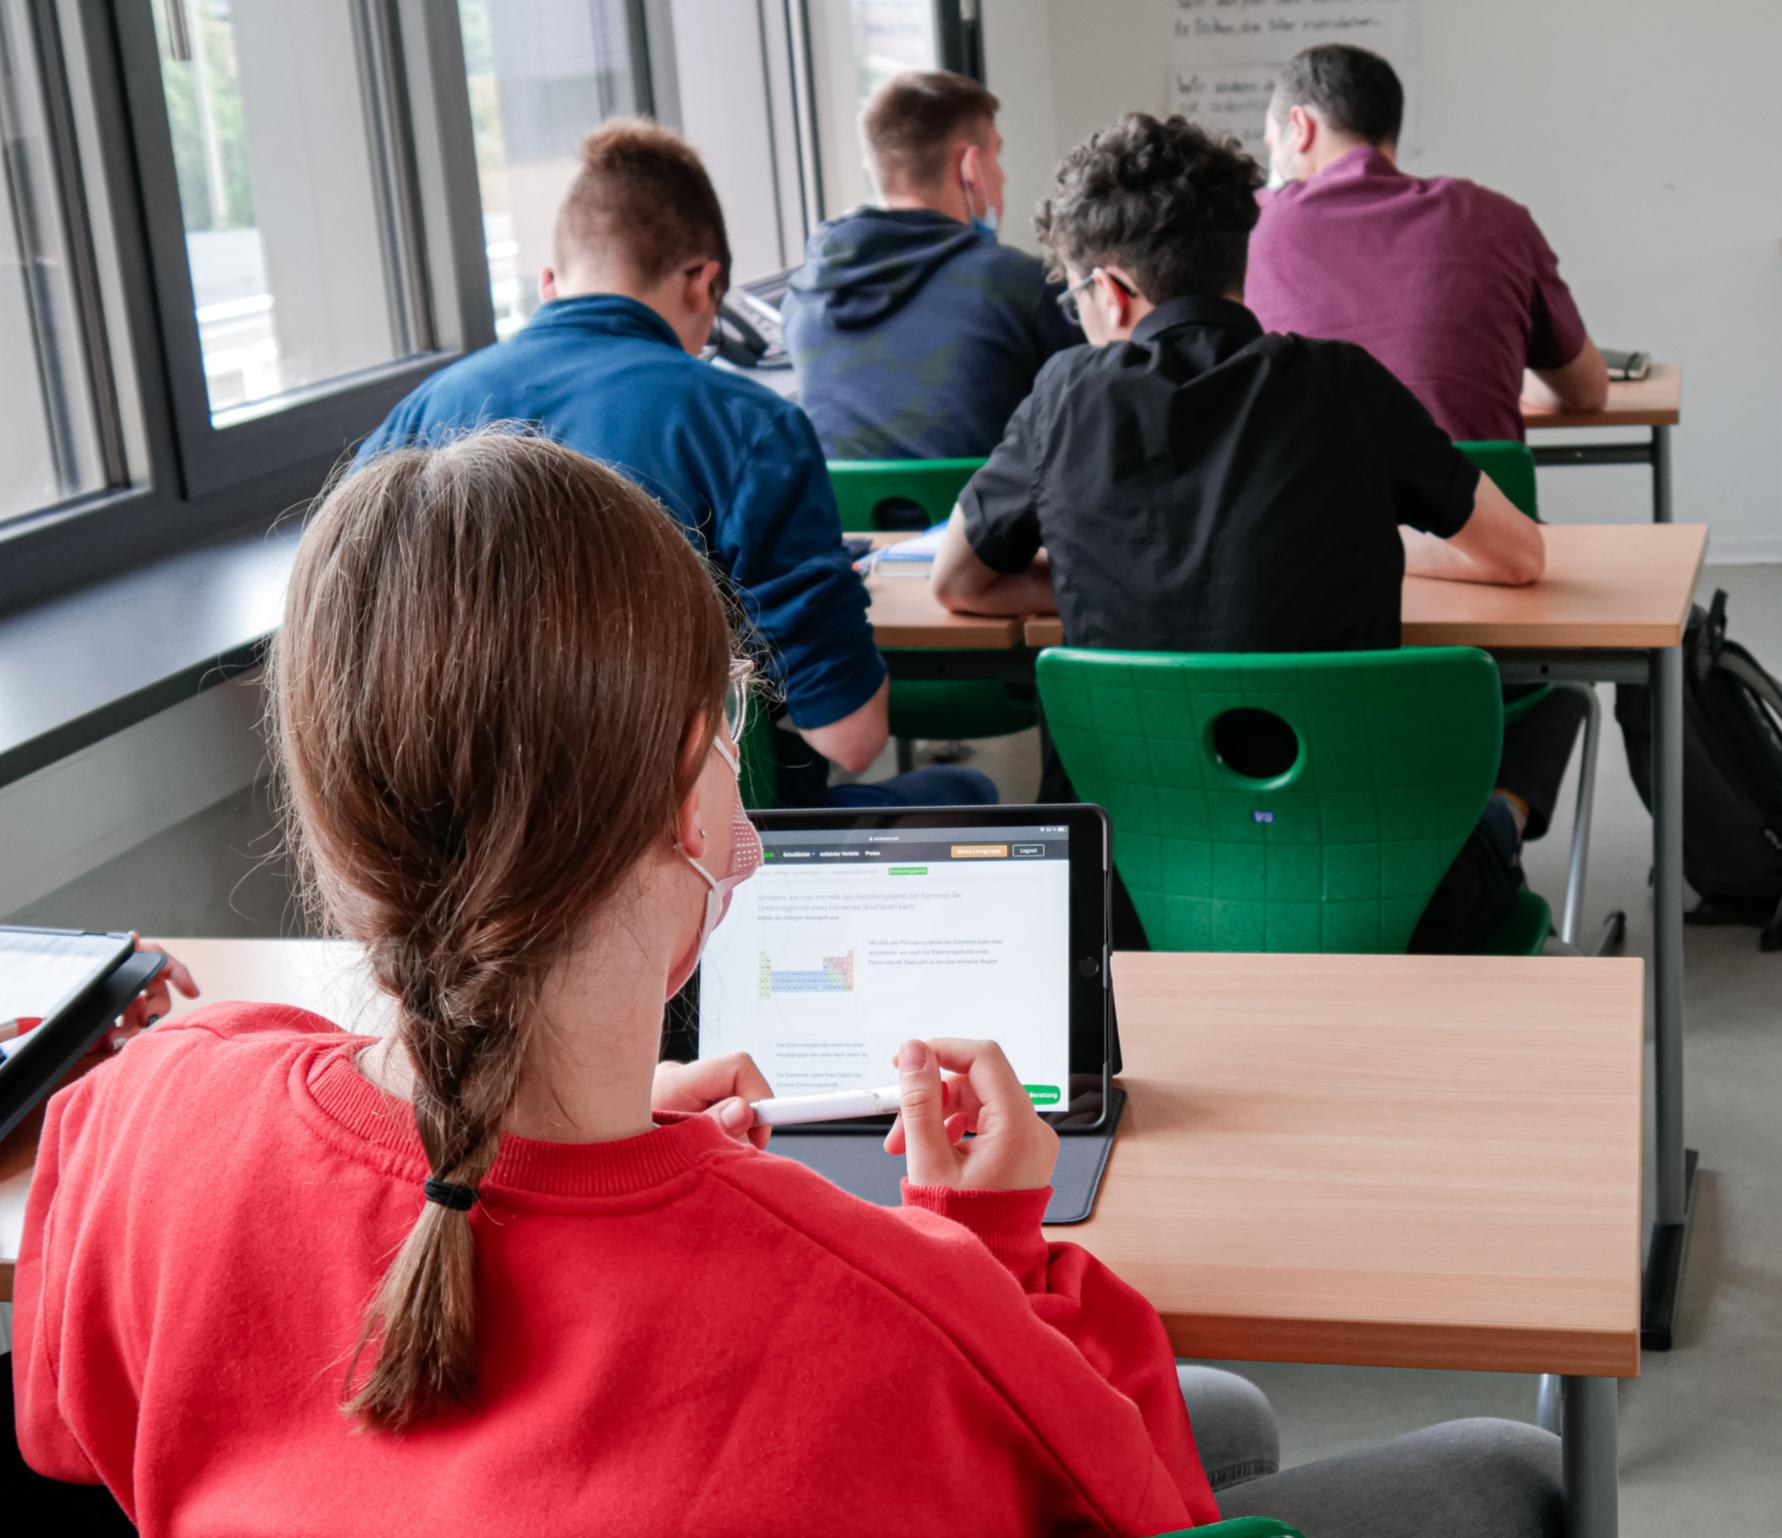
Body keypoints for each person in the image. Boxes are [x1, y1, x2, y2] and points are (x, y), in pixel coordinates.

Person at [12, 434, 1557, 1538]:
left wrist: (594, 1141)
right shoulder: (898, 1310)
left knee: (1244, 1412)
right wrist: (988, 1243)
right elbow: (1134, 1486)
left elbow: (68, 1425)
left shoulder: (149, 1104)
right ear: (702, 800)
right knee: (1499, 1466)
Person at [932, 112, 1587, 955]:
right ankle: (1503, 822)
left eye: (1076, 293)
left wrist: (1097, 574)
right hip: (1374, 893)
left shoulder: (1066, 397)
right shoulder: (1344, 383)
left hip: (1122, 898)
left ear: (1115, 290)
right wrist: (1370, 541)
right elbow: (1518, 555)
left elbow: (957, 582)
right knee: (1549, 705)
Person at [356, 120, 992, 810]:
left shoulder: (414, 420)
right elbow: (851, 736)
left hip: (479, 847)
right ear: (703, 282)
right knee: (968, 790)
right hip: (690, 844)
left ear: (549, 283)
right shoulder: (747, 424)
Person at [1247, 44, 1609, 442]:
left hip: (1303, 499)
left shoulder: (1245, 228)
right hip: (1477, 501)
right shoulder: (1498, 221)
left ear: (1300, 127)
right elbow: (1587, 392)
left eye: (1271, 145)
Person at [782, 70, 1082, 463]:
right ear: (971, 167)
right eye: (997, 153)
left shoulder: (804, 297)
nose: (1003, 175)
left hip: (848, 526)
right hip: (990, 523)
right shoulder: (1022, 286)